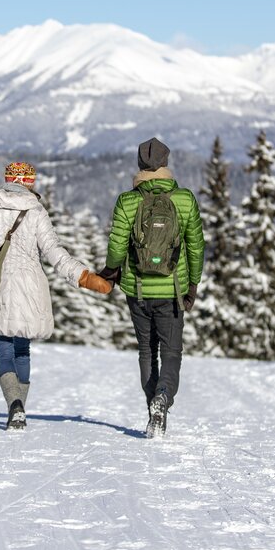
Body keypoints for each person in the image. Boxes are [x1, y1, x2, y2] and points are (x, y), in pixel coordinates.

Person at [0, 161, 112, 430]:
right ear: (29, 182)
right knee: (22, 348)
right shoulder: (35, 212)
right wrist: (83, 277)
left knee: (3, 349)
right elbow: (55, 253)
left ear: (7, 179)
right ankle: (19, 407)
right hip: (30, 286)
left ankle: (13, 404)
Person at [100, 137, 204, 437]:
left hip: (139, 289)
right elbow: (196, 247)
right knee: (172, 352)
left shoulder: (128, 201)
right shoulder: (184, 200)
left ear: (140, 166)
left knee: (147, 352)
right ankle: (164, 398)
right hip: (172, 291)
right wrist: (192, 283)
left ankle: (152, 410)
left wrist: (110, 272)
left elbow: (117, 247)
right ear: (166, 163)